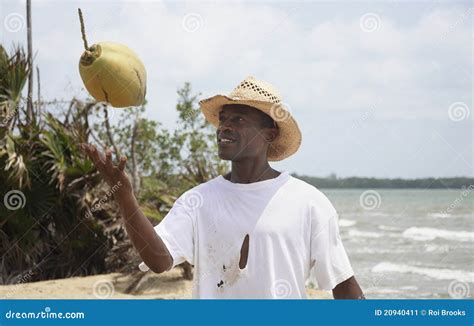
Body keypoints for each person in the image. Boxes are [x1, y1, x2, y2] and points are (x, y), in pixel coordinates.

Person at [81, 76, 364, 299]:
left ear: (269, 134)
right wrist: (125, 196)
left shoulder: (309, 202)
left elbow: (343, 287)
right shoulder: (198, 200)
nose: (224, 127)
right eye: (223, 119)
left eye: (238, 119)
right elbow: (159, 260)